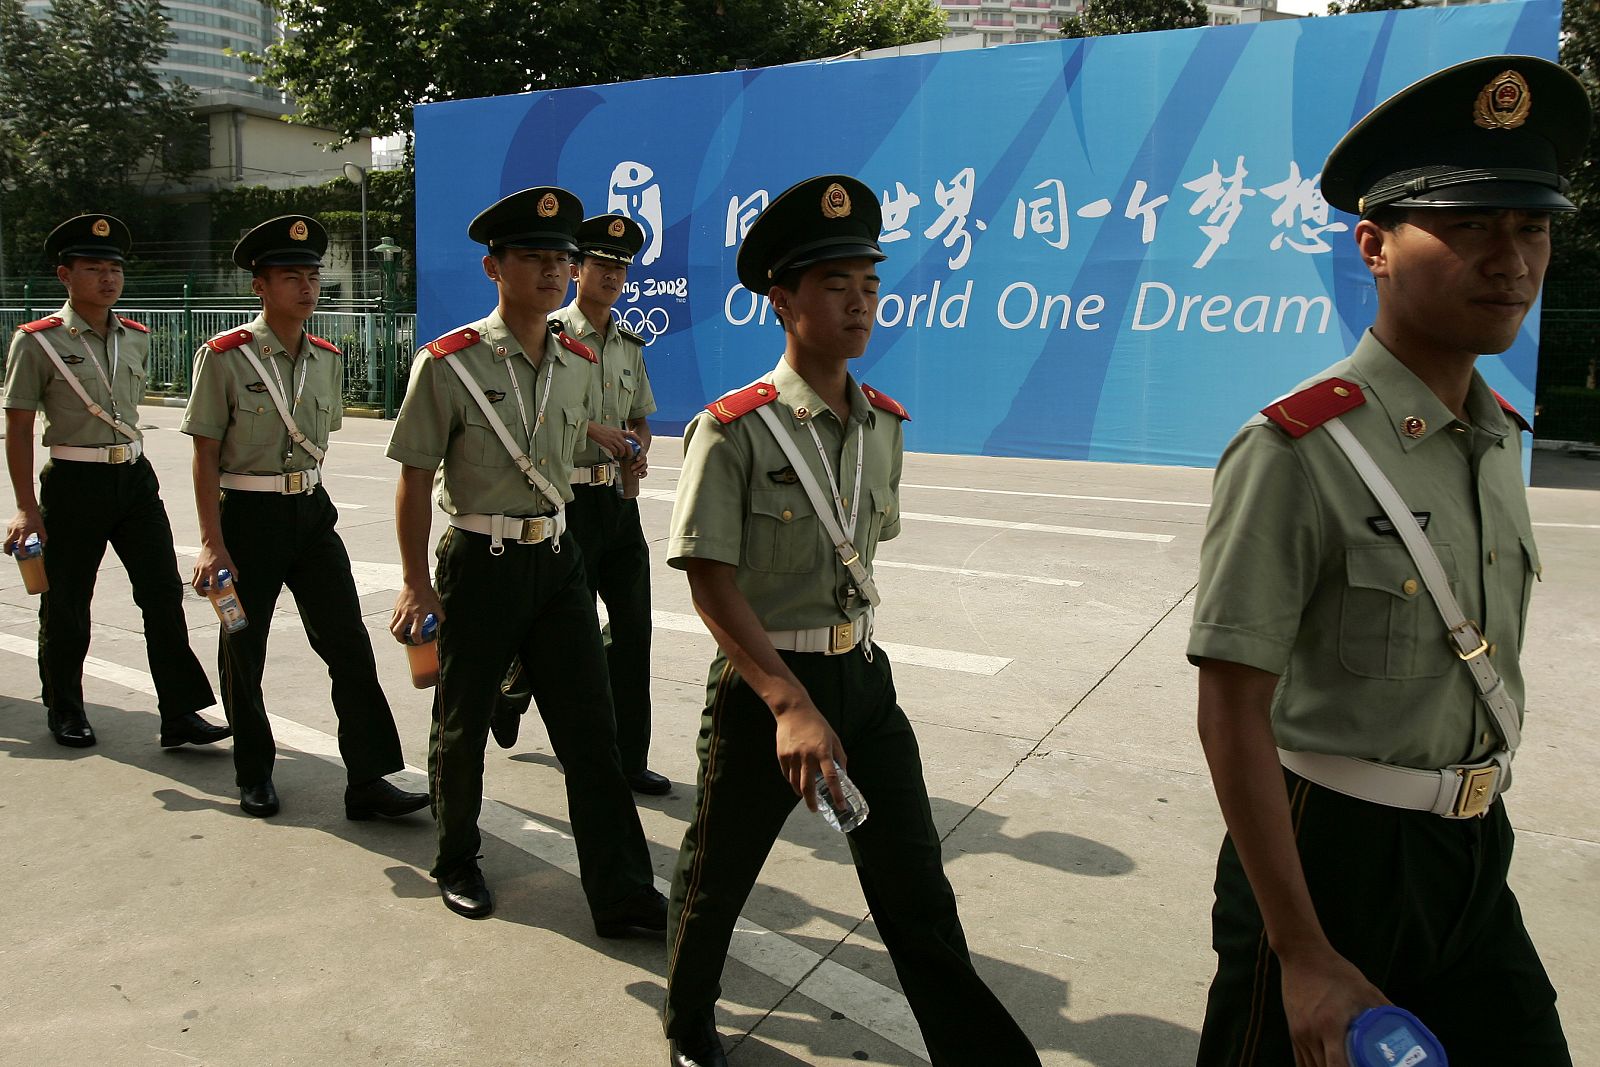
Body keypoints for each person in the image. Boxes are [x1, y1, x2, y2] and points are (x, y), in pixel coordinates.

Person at [1188, 56, 1589, 1067]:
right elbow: (1232, 705)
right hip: (1326, 857)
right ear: (1373, 243)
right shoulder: (1296, 449)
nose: (1511, 258)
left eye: (1530, 225)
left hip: (1468, 853)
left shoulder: (1496, 438)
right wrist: (1301, 948)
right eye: (1468, 227)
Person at [661, 175, 1041, 1067]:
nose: (860, 303)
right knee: (719, 875)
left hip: (864, 684)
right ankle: (687, 1020)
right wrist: (787, 702)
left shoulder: (884, 425)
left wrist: (835, 687)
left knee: (916, 888)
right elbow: (711, 582)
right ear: (782, 300)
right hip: (767, 688)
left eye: (869, 285)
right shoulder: (733, 429)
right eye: (836, 286)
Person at [386, 186, 666, 930]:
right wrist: (417, 584)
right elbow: (413, 479)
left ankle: (623, 890)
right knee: (462, 720)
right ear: (493, 267)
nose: (552, 270)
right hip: (479, 559)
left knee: (591, 731)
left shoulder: (577, 360)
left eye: (559, 258)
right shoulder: (449, 363)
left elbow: (581, 443)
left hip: (559, 557)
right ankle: (456, 857)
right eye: (534, 257)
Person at [181, 215, 428, 823]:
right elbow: (204, 454)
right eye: (291, 276)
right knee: (244, 649)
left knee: (347, 642)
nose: (306, 287)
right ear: (260, 286)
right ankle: (254, 772)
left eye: (313, 275)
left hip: (311, 513)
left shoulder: (326, 357)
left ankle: (369, 778)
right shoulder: (224, 357)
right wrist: (212, 544)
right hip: (246, 516)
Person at [3, 215, 227, 750]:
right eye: (93, 268)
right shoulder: (38, 343)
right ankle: (66, 708)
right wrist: (26, 508)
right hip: (73, 482)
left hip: (134, 478)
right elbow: (16, 428)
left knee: (161, 596)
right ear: (65, 275)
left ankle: (180, 713)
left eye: (113, 269)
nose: (107, 278)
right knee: (67, 603)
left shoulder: (136, 338)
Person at [491, 213, 670, 795]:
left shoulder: (628, 343)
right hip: (565, 502)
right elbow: (538, 420)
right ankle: (523, 689)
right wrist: (596, 433)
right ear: (576, 268)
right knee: (573, 637)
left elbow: (640, 417)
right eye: (601, 264)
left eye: (622, 266)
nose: (614, 275)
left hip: (619, 503)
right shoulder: (551, 337)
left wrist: (636, 455)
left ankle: (629, 754)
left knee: (634, 629)